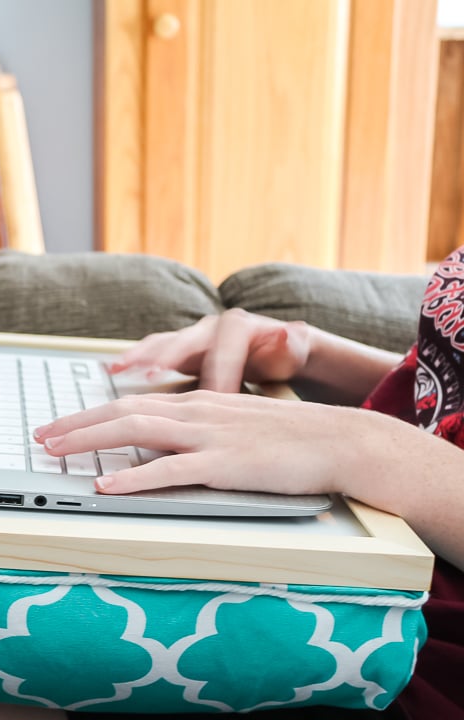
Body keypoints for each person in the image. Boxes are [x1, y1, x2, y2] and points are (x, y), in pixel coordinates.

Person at [34, 249, 464, 719]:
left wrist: (359, 443)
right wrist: (312, 354)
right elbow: (441, 401)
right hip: (377, 542)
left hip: (407, 640)